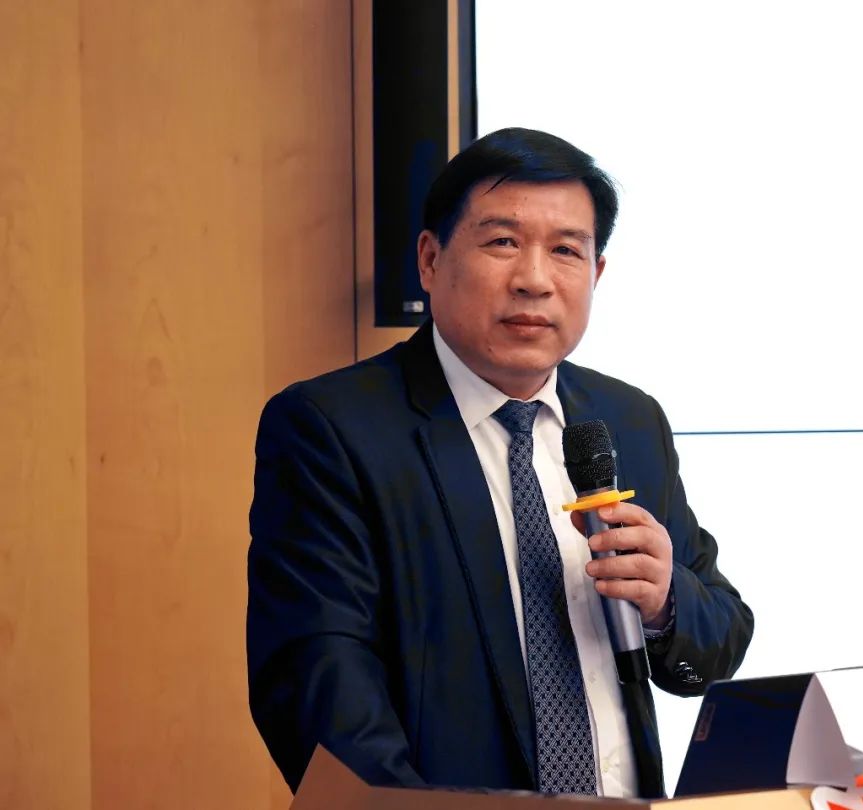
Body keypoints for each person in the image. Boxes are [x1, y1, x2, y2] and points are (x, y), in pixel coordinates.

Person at [247, 127, 753, 799]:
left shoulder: (629, 419)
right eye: (503, 243)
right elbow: (317, 686)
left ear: (596, 274)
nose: (534, 280)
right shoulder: (333, 428)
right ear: (431, 260)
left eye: (566, 250)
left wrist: (664, 603)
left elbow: (720, 640)